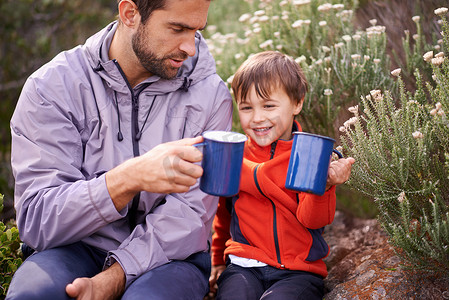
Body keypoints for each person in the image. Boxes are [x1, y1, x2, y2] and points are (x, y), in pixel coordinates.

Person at [7, 0, 233, 299]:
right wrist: (126, 179)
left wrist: (116, 276)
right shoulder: (51, 87)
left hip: (171, 259)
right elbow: (39, 219)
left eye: (196, 31)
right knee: (33, 295)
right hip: (75, 247)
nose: (190, 47)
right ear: (130, 14)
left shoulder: (210, 95)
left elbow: (190, 216)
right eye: (178, 29)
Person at [208, 51, 355, 300]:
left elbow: (313, 220)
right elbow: (223, 212)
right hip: (243, 265)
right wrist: (217, 259)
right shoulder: (236, 155)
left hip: (298, 273)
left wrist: (326, 185)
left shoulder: (308, 154)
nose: (257, 118)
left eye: (268, 106)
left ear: (297, 102)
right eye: (246, 108)